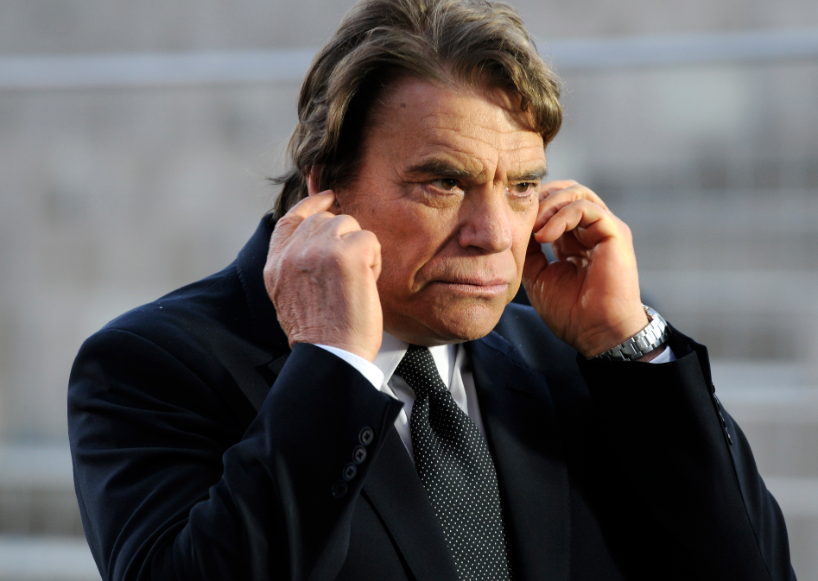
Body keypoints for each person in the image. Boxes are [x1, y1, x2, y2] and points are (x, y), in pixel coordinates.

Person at [67, 0, 796, 579]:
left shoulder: (576, 359)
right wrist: (332, 365)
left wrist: (629, 346)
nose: (494, 233)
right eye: (445, 182)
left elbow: (753, 568)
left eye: (521, 186)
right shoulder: (150, 366)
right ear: (326, 188)